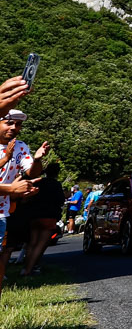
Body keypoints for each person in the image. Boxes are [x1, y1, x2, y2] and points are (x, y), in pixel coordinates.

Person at [0, 110, 46, 312]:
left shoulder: (20, 146)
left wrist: (36, 160)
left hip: (2, 212)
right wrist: (12, 189)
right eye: (9, 123)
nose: (13, 128)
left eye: (17, 125)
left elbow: (31, 171)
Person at [20, 160, 65, 277]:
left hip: (34, 215)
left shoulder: (39, 182)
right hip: (49, 216)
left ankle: (25, 267)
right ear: (57, 173)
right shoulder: (56, 184)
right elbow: (61, 200)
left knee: (32, 243)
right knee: (41, 244)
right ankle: (30, 269)